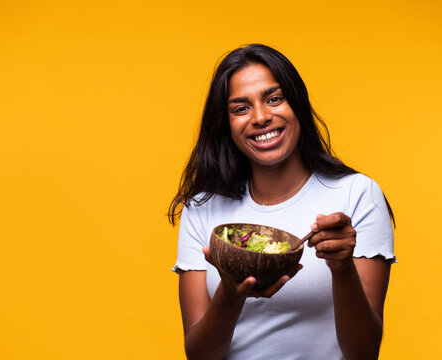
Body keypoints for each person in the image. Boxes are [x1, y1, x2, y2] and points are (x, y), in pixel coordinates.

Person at [168, 44, 395, 360]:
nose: (260, 117)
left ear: (297, 104)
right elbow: (200, 356)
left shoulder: (357, 195)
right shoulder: (203, 207)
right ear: (226, 124)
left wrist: (342, 268)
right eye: (240, 108)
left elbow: (364, 353)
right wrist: (232, 295)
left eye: (274, 99)